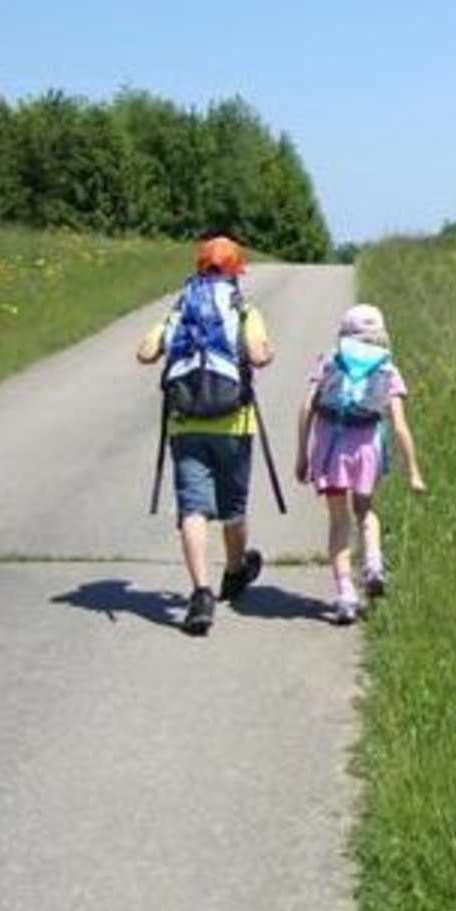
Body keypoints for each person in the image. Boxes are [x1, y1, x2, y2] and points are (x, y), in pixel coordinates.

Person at [137, 234, 275, 635]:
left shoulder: (180, 309)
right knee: (233, 507)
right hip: (234, 423)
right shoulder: (244, 309)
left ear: (199, 269)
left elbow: (145, 353)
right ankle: (234, 571)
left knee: (193, 509)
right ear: (236, 273)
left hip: (185, 424)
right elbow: (260, 356)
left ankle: (200, 593)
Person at [294, 303, 425, 624]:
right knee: (366, 511)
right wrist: (414, 472)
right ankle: (374, 564)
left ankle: (346, 595)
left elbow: (306, 406)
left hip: (330, 448)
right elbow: (399, 425)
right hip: (367, 447)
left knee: (339, 522)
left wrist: (301, 453)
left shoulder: (329, 360)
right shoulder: (387, 368)